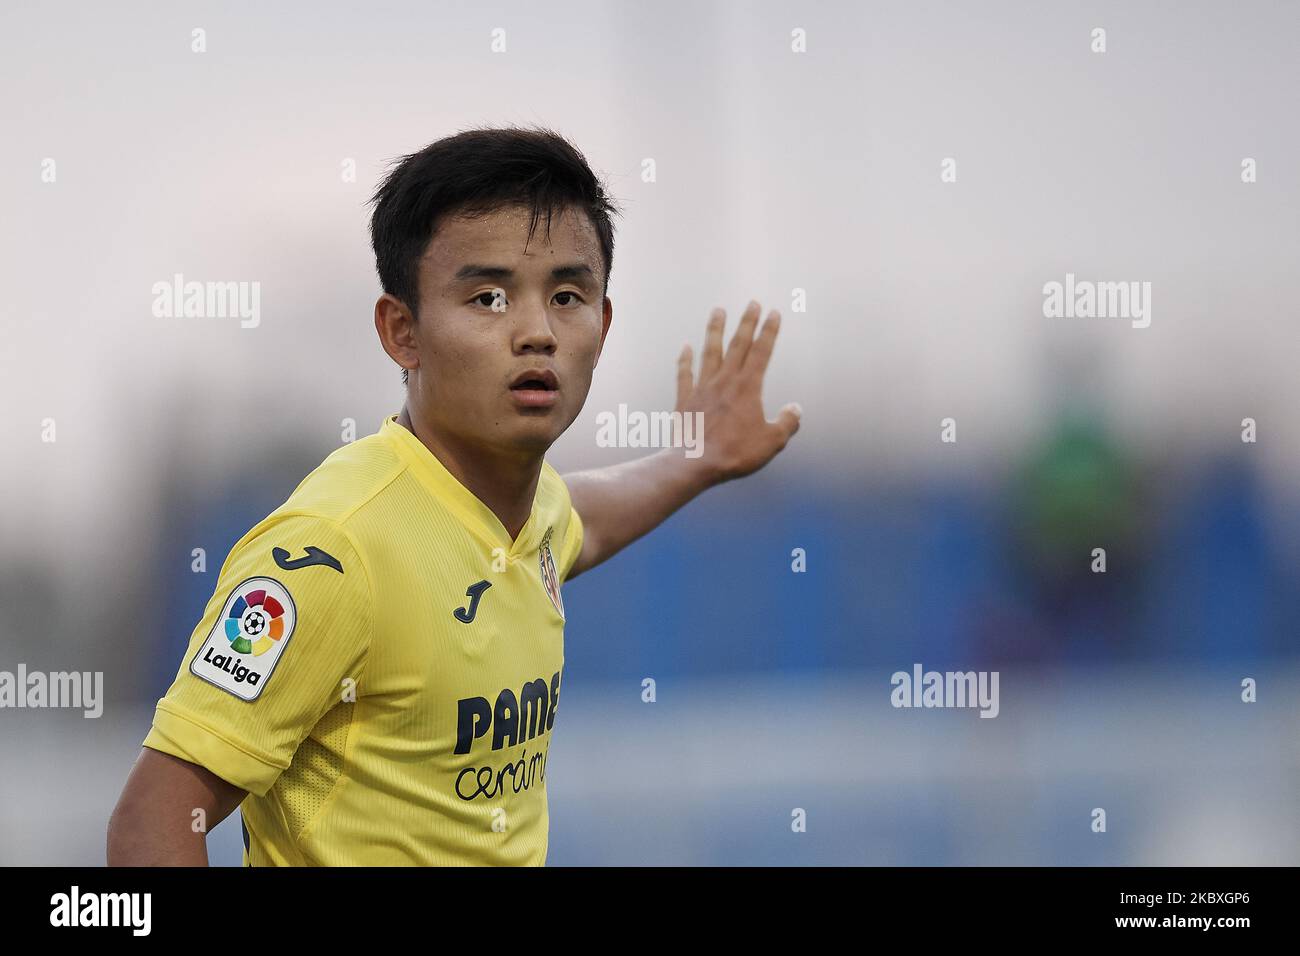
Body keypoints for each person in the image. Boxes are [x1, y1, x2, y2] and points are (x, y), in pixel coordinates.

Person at [107, 126, 801, 865]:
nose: (536, 331)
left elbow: (582, 519)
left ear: (602, 324)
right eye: (489, 297)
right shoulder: (333, 553)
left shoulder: (525, 516)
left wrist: (697, 462)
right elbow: (154, 818)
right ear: (402, 331)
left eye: (567, 295)